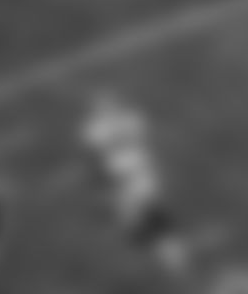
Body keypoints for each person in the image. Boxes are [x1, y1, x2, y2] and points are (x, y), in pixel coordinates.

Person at [80, 91, 193, 276]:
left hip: (134, 173)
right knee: (137, 214)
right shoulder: (112, 124)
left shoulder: (117, 123)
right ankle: (167, 249)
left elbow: (105, 148)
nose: (105, 110)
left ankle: (170, 251)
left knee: (144, 212)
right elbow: (98, 153)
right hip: (125, 174)